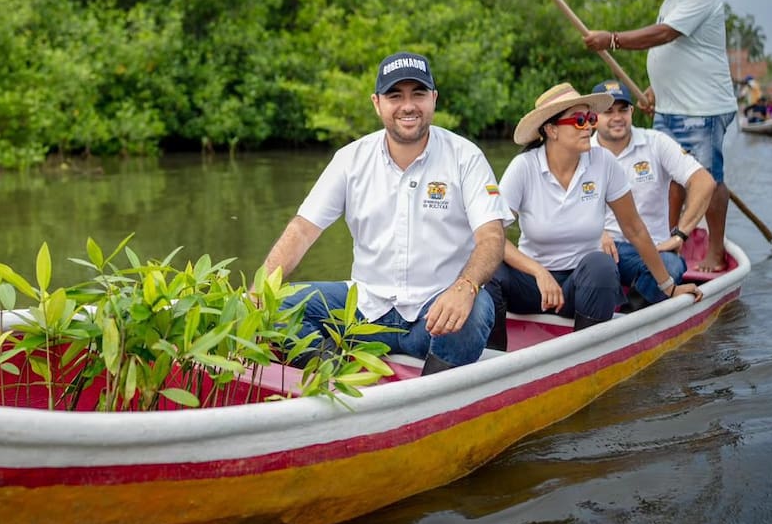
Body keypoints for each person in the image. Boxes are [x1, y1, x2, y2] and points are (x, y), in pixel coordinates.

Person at [260, 51, 510, 375]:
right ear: (377, 103)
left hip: (433, 316)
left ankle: (432, 396)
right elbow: (302, 231)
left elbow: (491, 237)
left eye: (418, 94)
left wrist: (465, 286)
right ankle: (336, 380)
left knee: (477, 308)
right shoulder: (350, 159)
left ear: (433, 99)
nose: (408, 105)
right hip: (363, 313)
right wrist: (257, 291)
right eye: (395, 95)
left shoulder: (466, 157)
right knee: (277, 305)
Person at [485, 83, 702, 332]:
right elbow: (493, 236)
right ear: (551, 130)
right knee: (490, 270)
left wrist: (669, 287)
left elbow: (635, 229)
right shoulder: (523, 167)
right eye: (579, 120)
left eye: (589, 118)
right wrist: (538, 272)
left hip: (581, 285)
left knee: (602, 266)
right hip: (533, 285)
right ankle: (495, 359)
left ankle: (588, 352)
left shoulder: (603, 162)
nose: (589, 125)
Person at [582, 0, 738, 273]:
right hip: (670, 106)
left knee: (708, 178)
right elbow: (679, 55)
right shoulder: (671, 0)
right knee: (669, 179)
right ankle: (668, 241)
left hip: (703, 109)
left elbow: (665, 35)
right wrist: (655, 89)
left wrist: (612, 39)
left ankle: (714, 250)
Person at [590, 79, 716, 308]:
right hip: (597, 247)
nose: (617, 117)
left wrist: (680, 235)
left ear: (632, 111)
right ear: (593, 117)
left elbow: (704, 182)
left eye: (622, 110)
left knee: (671, 266)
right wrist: (595, 233)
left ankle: (631, 316)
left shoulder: (655, 142)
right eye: (608, 112)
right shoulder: (582, 151)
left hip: (650, 250)